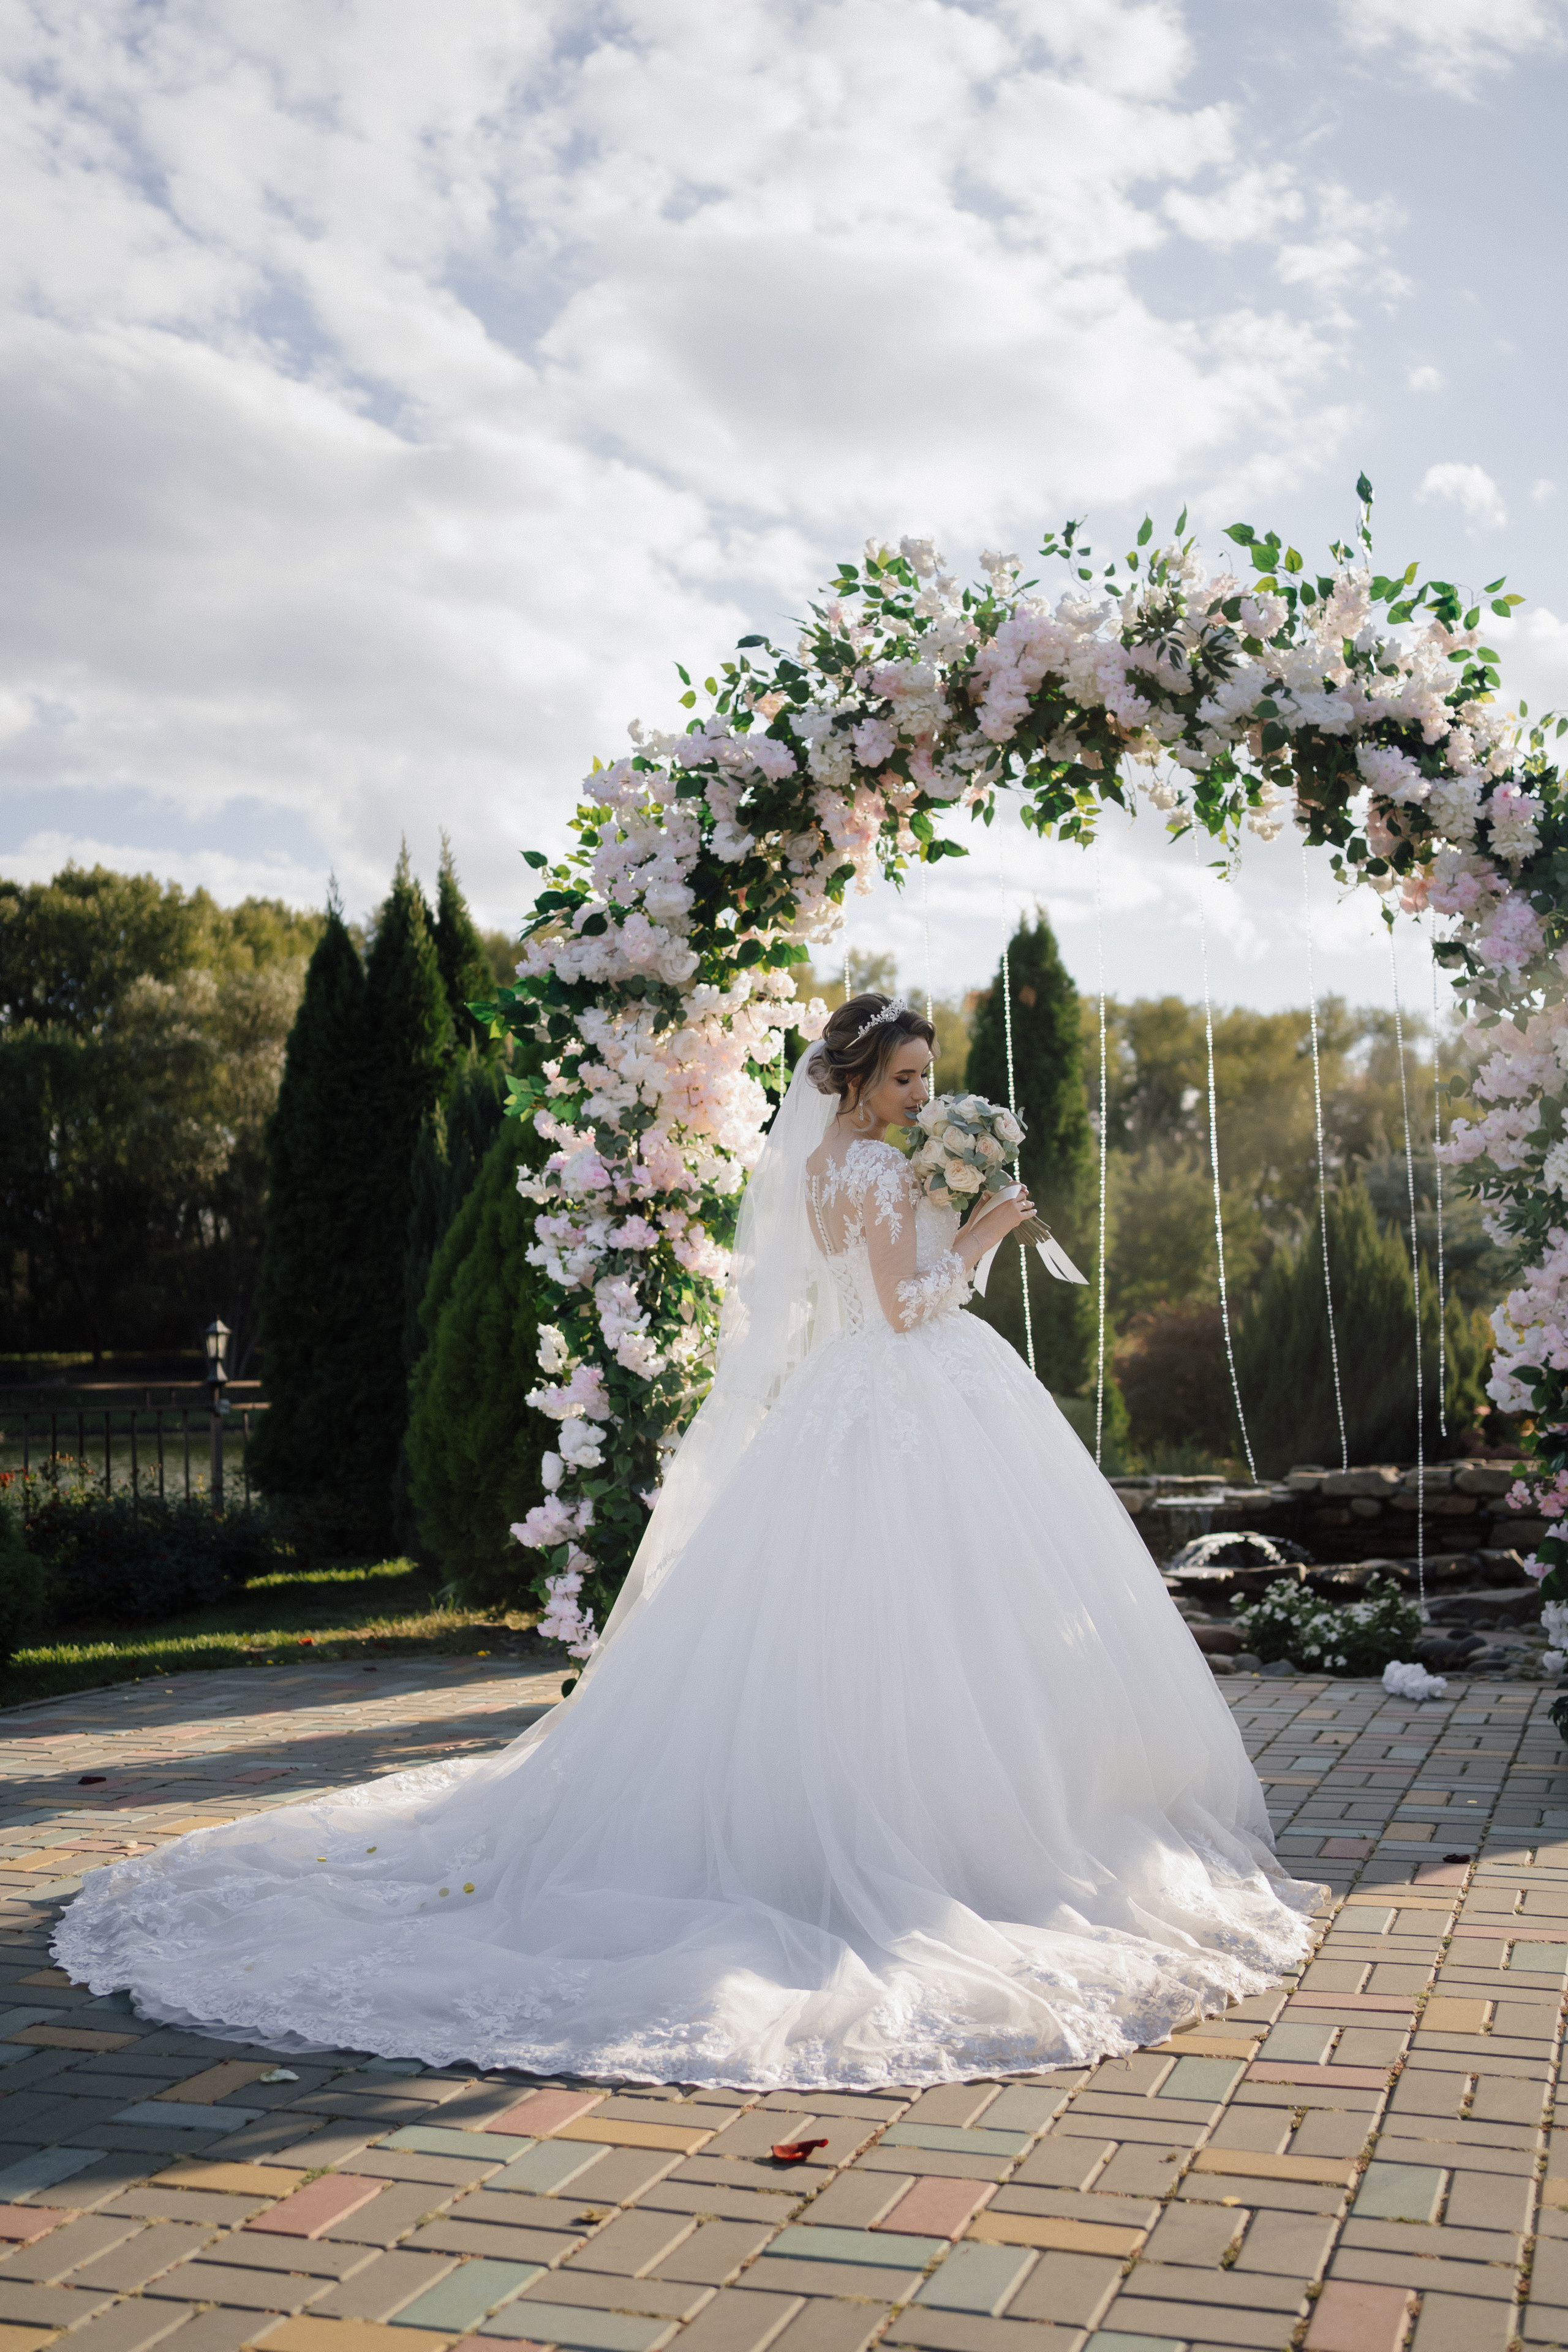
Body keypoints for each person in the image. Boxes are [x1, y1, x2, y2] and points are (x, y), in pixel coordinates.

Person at [55, 993, 1318, 2090]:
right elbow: (898, 1308)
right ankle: (955, 1836)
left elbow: (859, 1298)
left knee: (865, 1619)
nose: (919, 1096)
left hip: (849, 1408)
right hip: (903, 1396)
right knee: (930, 1617)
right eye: (903, 1079)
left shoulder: (828, 1166)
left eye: (927, 1079)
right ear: (854, 1079)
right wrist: (982, 1231)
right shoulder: (876, 1172)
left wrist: (957, 1211)